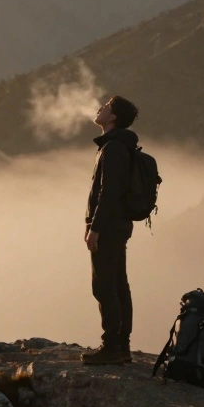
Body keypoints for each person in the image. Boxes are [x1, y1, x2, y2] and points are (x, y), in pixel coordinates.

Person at [81, 95, 140, 365]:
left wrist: (95, 228)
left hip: (110, 226)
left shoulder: (113, 148)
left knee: (104, 284)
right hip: (117, 225)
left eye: (105, 107)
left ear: (113, 117)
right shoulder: (116, 146)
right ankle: (121, 345)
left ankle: (112, 345)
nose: (100, 108)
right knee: (117, 283)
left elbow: (109, 192)